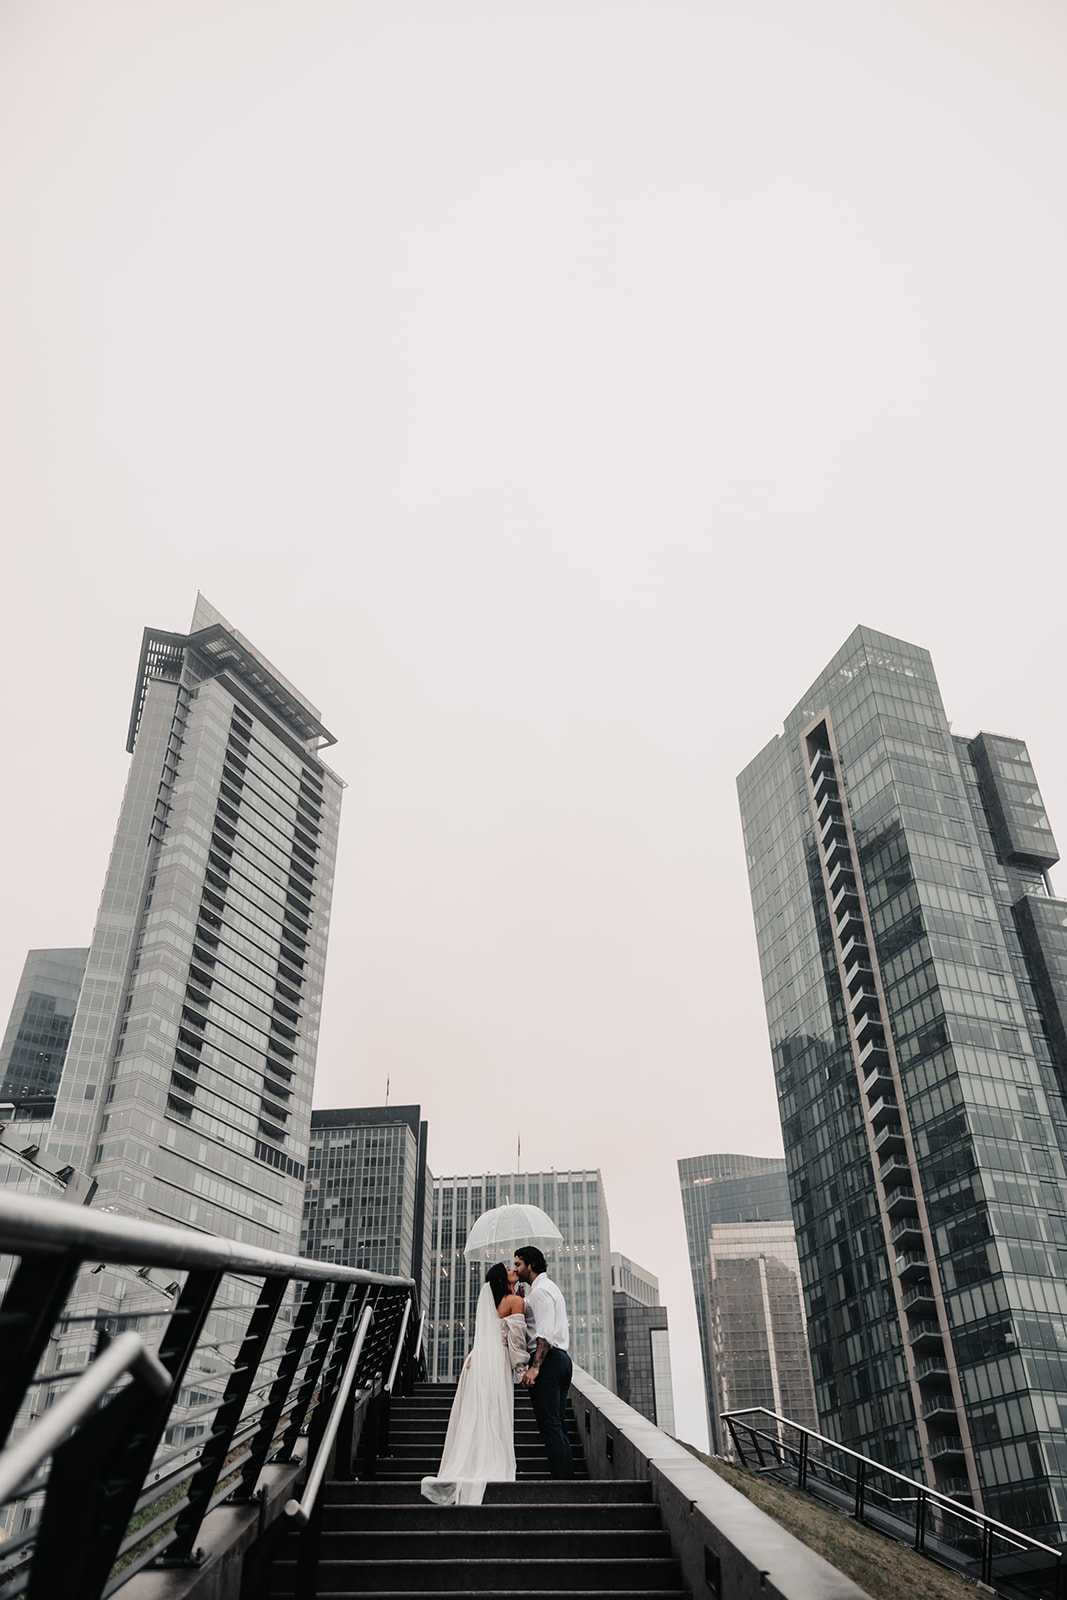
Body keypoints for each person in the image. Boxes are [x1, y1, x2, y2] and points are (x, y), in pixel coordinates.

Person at [420, 1263, 528, 1506]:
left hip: (476, 1360)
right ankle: (490, 1461)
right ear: (503, 1279)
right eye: (509, 1269)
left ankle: (471, 1461)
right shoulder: (515, 1301)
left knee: (480, 1414)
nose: (513, 1269)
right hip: (496, 1363)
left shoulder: (494, 1303)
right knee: (494, 1413)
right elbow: (517, 1342)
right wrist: (521, 1367)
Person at [514, 1245, 574, 1478]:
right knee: (557, 1424)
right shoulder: (546, 1289)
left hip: (548, 1361)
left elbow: (544, 1335)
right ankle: (567, 1479)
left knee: (550, 1425)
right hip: (560, 1360)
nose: (516, 1269)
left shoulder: (540, 1292)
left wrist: (535, 1368)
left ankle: (562, 1481)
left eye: (519, 1264)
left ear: (531, 1265)